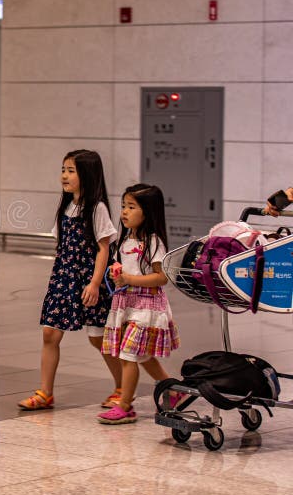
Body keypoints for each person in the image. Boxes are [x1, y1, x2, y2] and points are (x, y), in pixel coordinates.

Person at [18, 149, 122, 410]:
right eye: (63, 170)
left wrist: (95, 283)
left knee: (98, 337)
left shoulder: (96, 208)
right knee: (50, 333)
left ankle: (122, 387)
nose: (64, 176)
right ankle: (45, 393)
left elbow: (104, 248)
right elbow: (62, 244)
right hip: (64, 278)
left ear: (87, 175)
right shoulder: (66, 205)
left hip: (89, 279)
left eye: (71, 171)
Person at [98, 183, 181, 424]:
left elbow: (161, 277)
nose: (124, 211)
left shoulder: (153, 242)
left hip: (147, 307)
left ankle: (125, 406)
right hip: (127, 304)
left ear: (148, 212)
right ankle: (173, 391)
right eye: (123, 206)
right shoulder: (125, 241)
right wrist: (117, 273)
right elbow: (124, 270)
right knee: (142, 356)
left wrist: (129, 278)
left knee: (128, 355)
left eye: (131, 207)